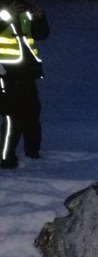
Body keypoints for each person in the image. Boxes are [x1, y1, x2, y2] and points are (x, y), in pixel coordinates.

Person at [0, 0, 48, 169]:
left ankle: (33, 152)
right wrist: (9, 17)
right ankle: (6, 158)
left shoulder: (25, 9)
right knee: (13, 116)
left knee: (32, 113)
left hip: (28, 72)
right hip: (6, 73)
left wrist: (39, 18)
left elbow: (41, 34)